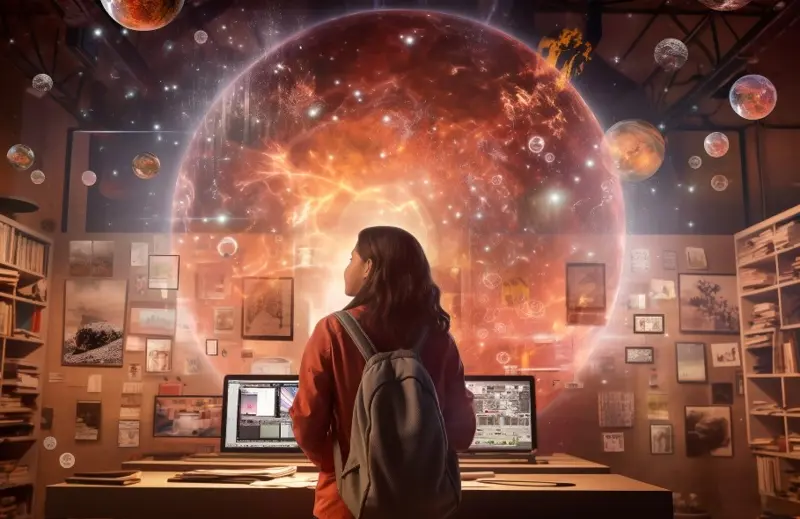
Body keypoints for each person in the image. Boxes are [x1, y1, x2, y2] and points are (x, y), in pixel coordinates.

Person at [290, 226, 477, 519]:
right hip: (424, 504)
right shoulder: (439, 339)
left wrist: (347, 465)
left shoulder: (333, 331)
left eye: (351, 259)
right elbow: (462, 432)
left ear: (369, 267)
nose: (346, 268)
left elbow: (306, 422)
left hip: (346, 504)